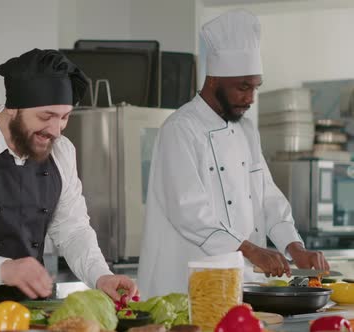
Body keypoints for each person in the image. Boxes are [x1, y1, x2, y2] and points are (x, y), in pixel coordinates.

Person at [0, 48, 137, 303]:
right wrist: (4, 269)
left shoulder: (62, 151)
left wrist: (101, 275)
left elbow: (73, 231)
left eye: (64, 117)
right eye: (46, 116)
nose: (56, 130)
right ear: (14, 108)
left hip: (33, 310)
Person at [137, 9, 330, 297]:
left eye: (255, 88)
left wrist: (294, 247)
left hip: (235, 284)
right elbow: (189, 211)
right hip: (182, 286)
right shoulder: (180, 129)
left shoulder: (246, 130)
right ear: (214, 79)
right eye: (242, 87)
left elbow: (266, 195)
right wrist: (253, 251)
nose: (250, 98)